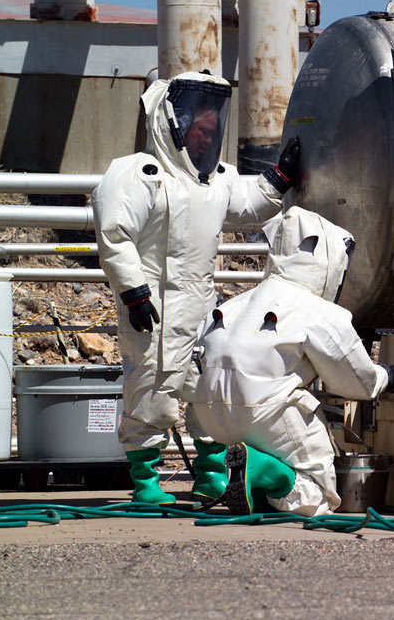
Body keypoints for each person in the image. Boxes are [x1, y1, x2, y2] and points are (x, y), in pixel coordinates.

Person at [92, 70, 301, 505]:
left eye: (213, 131)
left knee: (208, 393)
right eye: (200, 132)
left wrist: (279, 177)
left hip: (201, 306)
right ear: (176, 125)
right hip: (152, 308)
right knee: (151, 389)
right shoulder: (139, 175)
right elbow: (115, 234)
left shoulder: (217, 179)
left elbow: (248, 206)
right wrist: (133, 291)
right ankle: (147, 484)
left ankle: (211, 477)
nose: (207, 140)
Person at [192, 207, 394, 516]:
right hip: (264, 411)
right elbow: (357, 383)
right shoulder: (317, 311)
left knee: (271, 447)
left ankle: (255, 478)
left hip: (212, 415)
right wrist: (390, 374)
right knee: (318, 494)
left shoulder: (237, 304)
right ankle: (269, 474)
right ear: (327, 258)